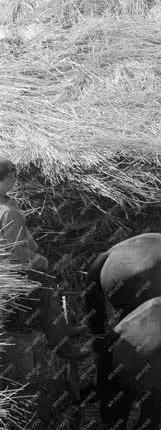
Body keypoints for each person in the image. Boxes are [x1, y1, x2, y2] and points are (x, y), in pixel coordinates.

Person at [0, 158, 88, 373]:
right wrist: (40, 260)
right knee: (43, 290)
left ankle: (63, 328)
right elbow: (17, 252)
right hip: (9, 270)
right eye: (12, 176)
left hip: (6, 266)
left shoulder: (7, 204)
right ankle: (63, 346)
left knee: (46, 282)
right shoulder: (7, 211)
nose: (15, 179)